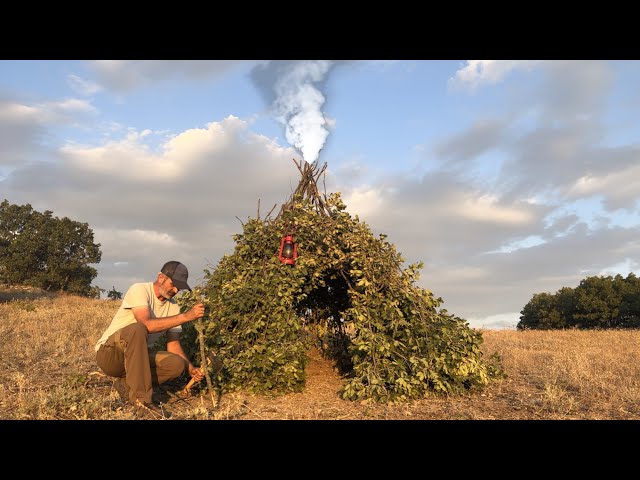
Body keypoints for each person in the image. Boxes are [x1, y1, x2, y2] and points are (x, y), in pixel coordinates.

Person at [95, 260, 206, 416]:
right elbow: (146, 324)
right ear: (161, 277)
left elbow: (173, 346)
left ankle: (126, 384)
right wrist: (186, 316)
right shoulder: (139, 290)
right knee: (138, 329)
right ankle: (143, 403)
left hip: (135, 362)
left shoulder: (173, 307)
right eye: (173, 285)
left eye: (179, 288)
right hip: (110, 356)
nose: (175, 290)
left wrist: (190, 369)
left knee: (176, 364)